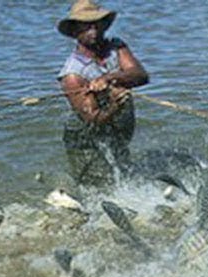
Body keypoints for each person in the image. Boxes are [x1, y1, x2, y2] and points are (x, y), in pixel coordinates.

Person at [56, 0, 149, 187]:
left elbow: (140, 75)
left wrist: (109, 78)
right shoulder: (72, 75)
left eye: (96, 23)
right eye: (86, 25)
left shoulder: (116, 48)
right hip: (85, 140)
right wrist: (115, 104)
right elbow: (93, 118)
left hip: (117, 132)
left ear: (104, 25)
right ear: (75, 31)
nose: (93, 29)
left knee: (125, 180)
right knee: (100, 187)